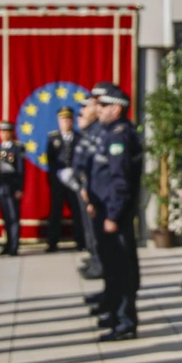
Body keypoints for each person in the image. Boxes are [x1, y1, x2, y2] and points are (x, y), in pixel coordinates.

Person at [87, 85, 142, 340]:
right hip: (105, 212)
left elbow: (120, 181)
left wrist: (112, 215)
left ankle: (124, 322)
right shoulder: (109, 133)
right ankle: (114, 313)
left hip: (114, 217)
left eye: (103, 105)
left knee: (121, 271)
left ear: (116, 108)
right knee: (111, 268)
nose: (98, 109)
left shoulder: (119, 135)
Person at [73, 95, 106, 284]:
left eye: (87, 107)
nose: (82, 112)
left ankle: (98, 262)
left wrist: (86, 185)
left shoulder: (99, 130)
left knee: (95, 229)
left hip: (91, 187)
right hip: (84, 185)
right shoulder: (90, 129)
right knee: (89, 228)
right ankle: (95, 258)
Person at [45, 108, 82, 252]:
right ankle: (52, 243)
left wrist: (74, 171)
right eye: (62, 120)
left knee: (77, 212)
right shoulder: (53, 138)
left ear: (72, 121)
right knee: (55, 212)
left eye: (68, 119)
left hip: (74, 181)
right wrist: (58, 173)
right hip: (58, 181)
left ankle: (81, 241)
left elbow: (81, 158)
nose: (65, 122)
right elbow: (50, 160)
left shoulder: (79, 137)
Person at [0, 120, 25, 256]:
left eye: (6, 132)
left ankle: (14, 246)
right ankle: (7, 244)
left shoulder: (17, 149)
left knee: (13, 217)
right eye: (1, 132)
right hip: (1, 188)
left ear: (10, 133)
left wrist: (20, 188)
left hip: (13, 188)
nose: (3, 135)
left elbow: (21, 170)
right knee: (5, 217)